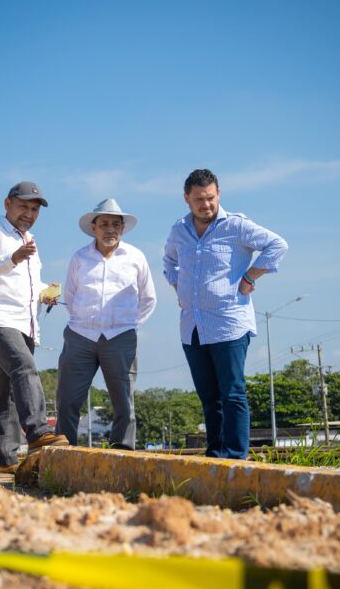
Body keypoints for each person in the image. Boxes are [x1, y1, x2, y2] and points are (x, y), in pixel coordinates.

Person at [163, 169, 288, 459]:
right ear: (186, 199)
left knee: (232, 393)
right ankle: (215, 454)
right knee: (209, 396)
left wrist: (250, 277)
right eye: (198, 200)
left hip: (229, 322)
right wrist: (177, 286)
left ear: (218, 194)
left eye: (210, 198)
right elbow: (169, 261)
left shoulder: (237, 226)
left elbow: (277, 245)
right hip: (192, 326)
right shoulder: (178, 230)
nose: (205, 205)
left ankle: (234, 456)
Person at [0, 181, 69, 476]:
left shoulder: (31, 241)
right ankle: (38, 432)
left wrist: (44, 292)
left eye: (34, 209)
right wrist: (12, 257)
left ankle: (3, 460)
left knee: (10, 393)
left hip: (25, 323)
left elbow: (25, 286)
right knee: (24, 369)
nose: (29, 213)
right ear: (7, 203)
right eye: (23, 206)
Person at [55, 198, 156, 450]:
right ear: (94, 227)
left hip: (120, 336)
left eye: (115, 224)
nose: (109, 229)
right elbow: (70, 296)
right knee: (67, 400)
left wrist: (129, 325)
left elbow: (148, 298)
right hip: (80, 335)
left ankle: (122, 453)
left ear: (122, 228)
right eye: (104, 224)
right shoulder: (79, 258)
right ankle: (65, 453)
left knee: (124, 403)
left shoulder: (136, 257)